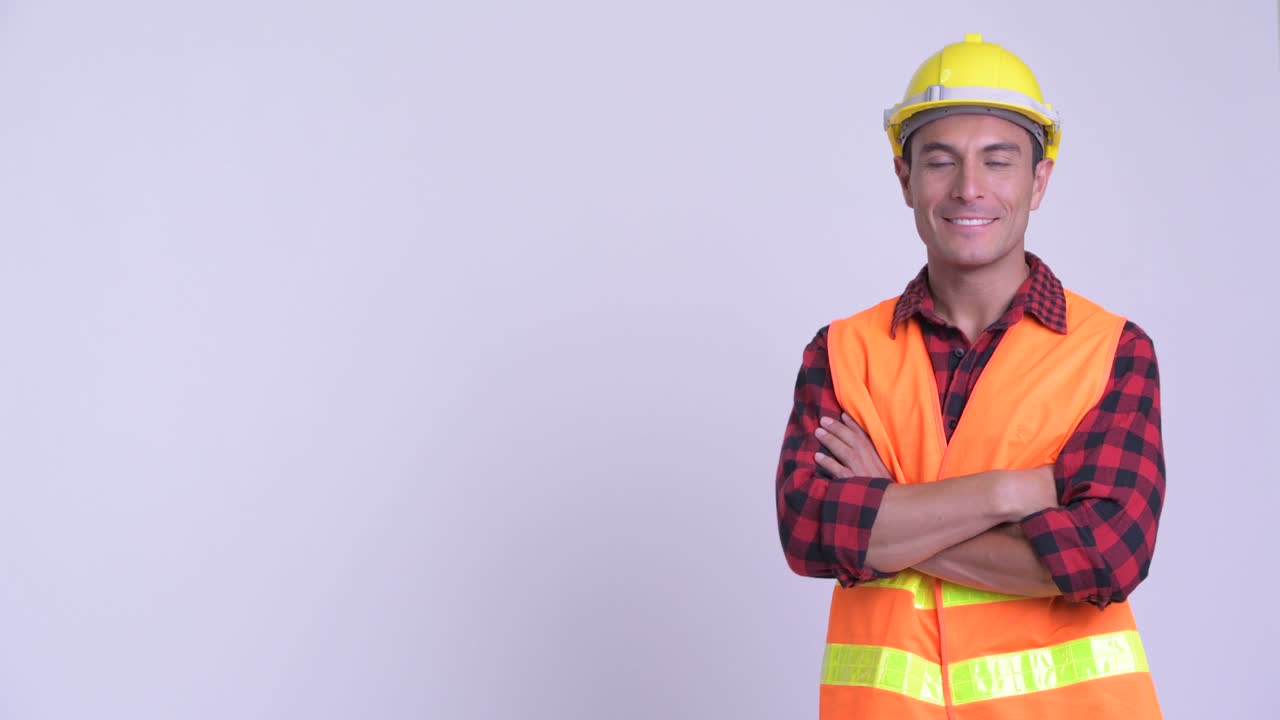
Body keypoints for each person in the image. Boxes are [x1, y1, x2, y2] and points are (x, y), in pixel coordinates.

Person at [774, 34, 1165, 719]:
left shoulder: (1109, 351)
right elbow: (811, 532)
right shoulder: (841, 352)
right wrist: (1012, 492)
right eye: (940, 161)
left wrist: (888, 510)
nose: (969, 187)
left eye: (998, 160)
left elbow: (1105, 556)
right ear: (905, 179)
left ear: (1038, 181)